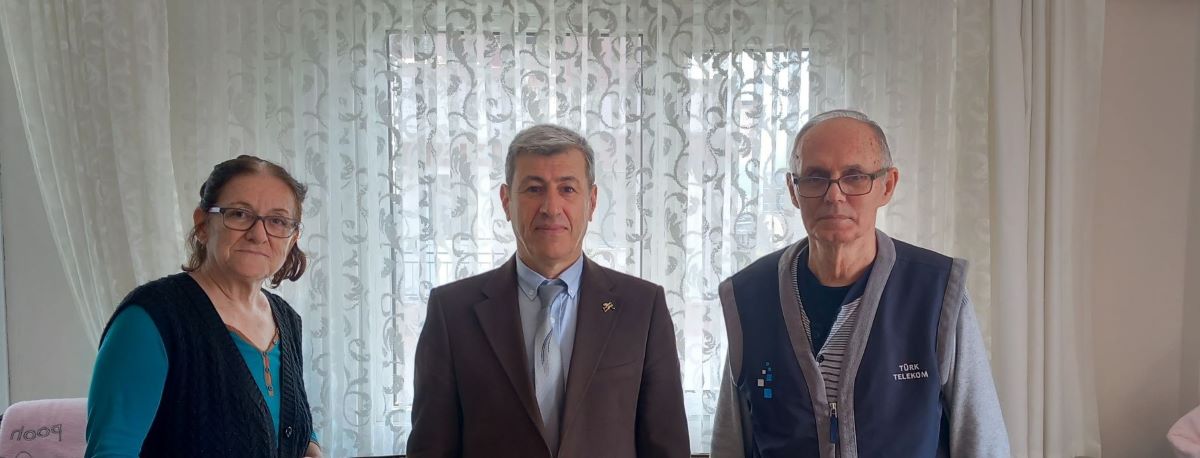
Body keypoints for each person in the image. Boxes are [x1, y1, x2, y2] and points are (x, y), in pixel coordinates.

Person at [710, 110, 1010, 457]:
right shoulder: (750, 298)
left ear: (887, 185)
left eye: (854, 177)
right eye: (815, 178)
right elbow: (729, 444)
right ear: (793, 190)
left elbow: (983, 443)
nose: (834, 195)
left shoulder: (937, 293)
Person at [407, 124, 690, 458]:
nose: (551, 207)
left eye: (567, 189)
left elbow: (667, 447)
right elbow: (431, 448)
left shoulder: (643, 308)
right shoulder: (451, 312)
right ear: (506, 201)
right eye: (534, 189)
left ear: (592, 202)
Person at [86, 155, 322, 458]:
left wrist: (312, 448)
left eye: (278, 221)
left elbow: (290, 421)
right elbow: (112, 451)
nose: (258, 234)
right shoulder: (149, 319)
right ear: (202, 224)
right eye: (239, 214)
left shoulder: (287, 320)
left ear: (293, 237)